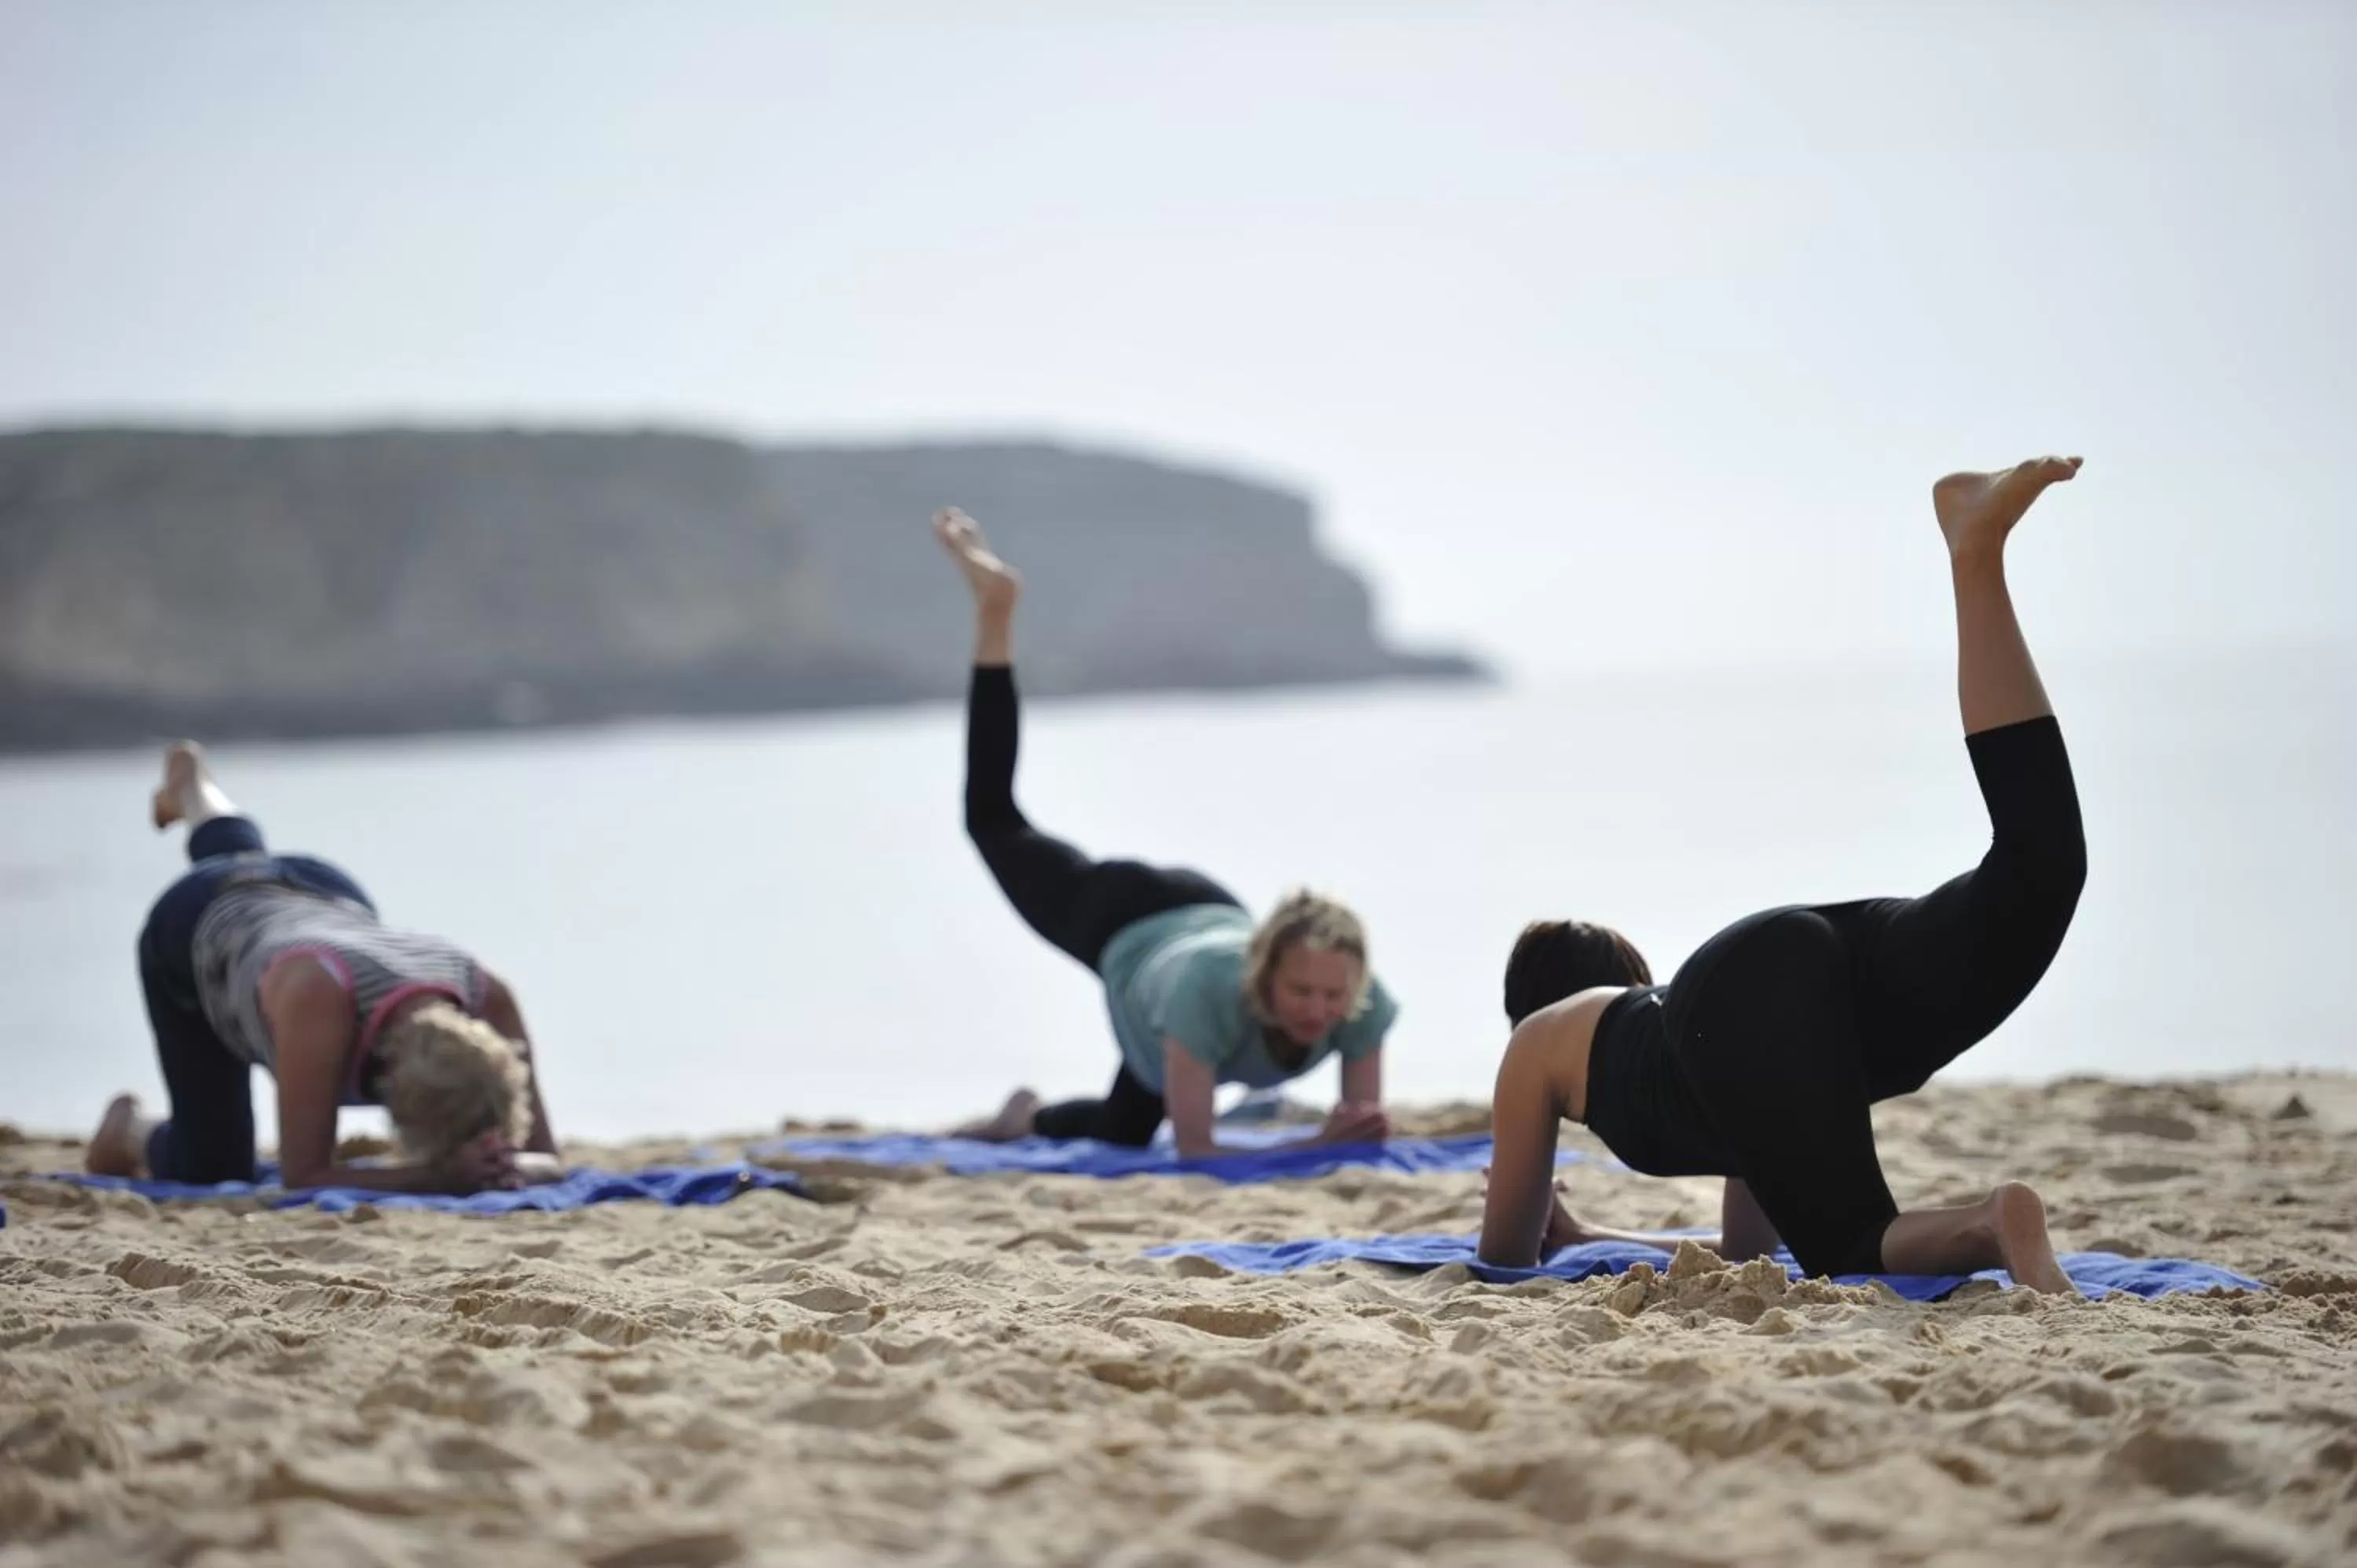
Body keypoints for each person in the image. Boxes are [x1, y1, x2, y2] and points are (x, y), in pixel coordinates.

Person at [1479, 458, 2091, 1294]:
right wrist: (1592, 1232)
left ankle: (1989, 1223)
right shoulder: (1731, 1070)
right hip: (1814, 965)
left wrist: (1552, 1228)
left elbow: (1504, 1258)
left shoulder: (1538, 1041)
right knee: (2037, 871)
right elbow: (1748, 1256)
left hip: (1760, 990)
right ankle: (1974, 554)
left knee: (1852, 1244)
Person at [933, 507, 1398, 1158]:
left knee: (1126, 1128)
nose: (1319, 1010)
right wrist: (1315, 1145)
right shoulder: (1205, 992)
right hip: (1122, 917)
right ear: (1263, 974)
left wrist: (1343, 1136)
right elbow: (1198, 1153)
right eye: (1300, 991)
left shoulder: (1362, 1004)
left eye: (1331, 994)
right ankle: (996, 613)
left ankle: (1023, 1117)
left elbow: (1362, 1131)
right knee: (992, 818)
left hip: (1209, 913)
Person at [82, 742, 559, 1193]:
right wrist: (439, 1176)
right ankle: (127, 1127)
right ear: (391, 1092)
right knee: (215, 1165)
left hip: (325, 892)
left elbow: (547, 1157)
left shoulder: (488, 996)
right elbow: (304, 1174)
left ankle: (196, 794)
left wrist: (508, 1162)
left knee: (243, 861)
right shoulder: (320, 1003)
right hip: (197, 923)